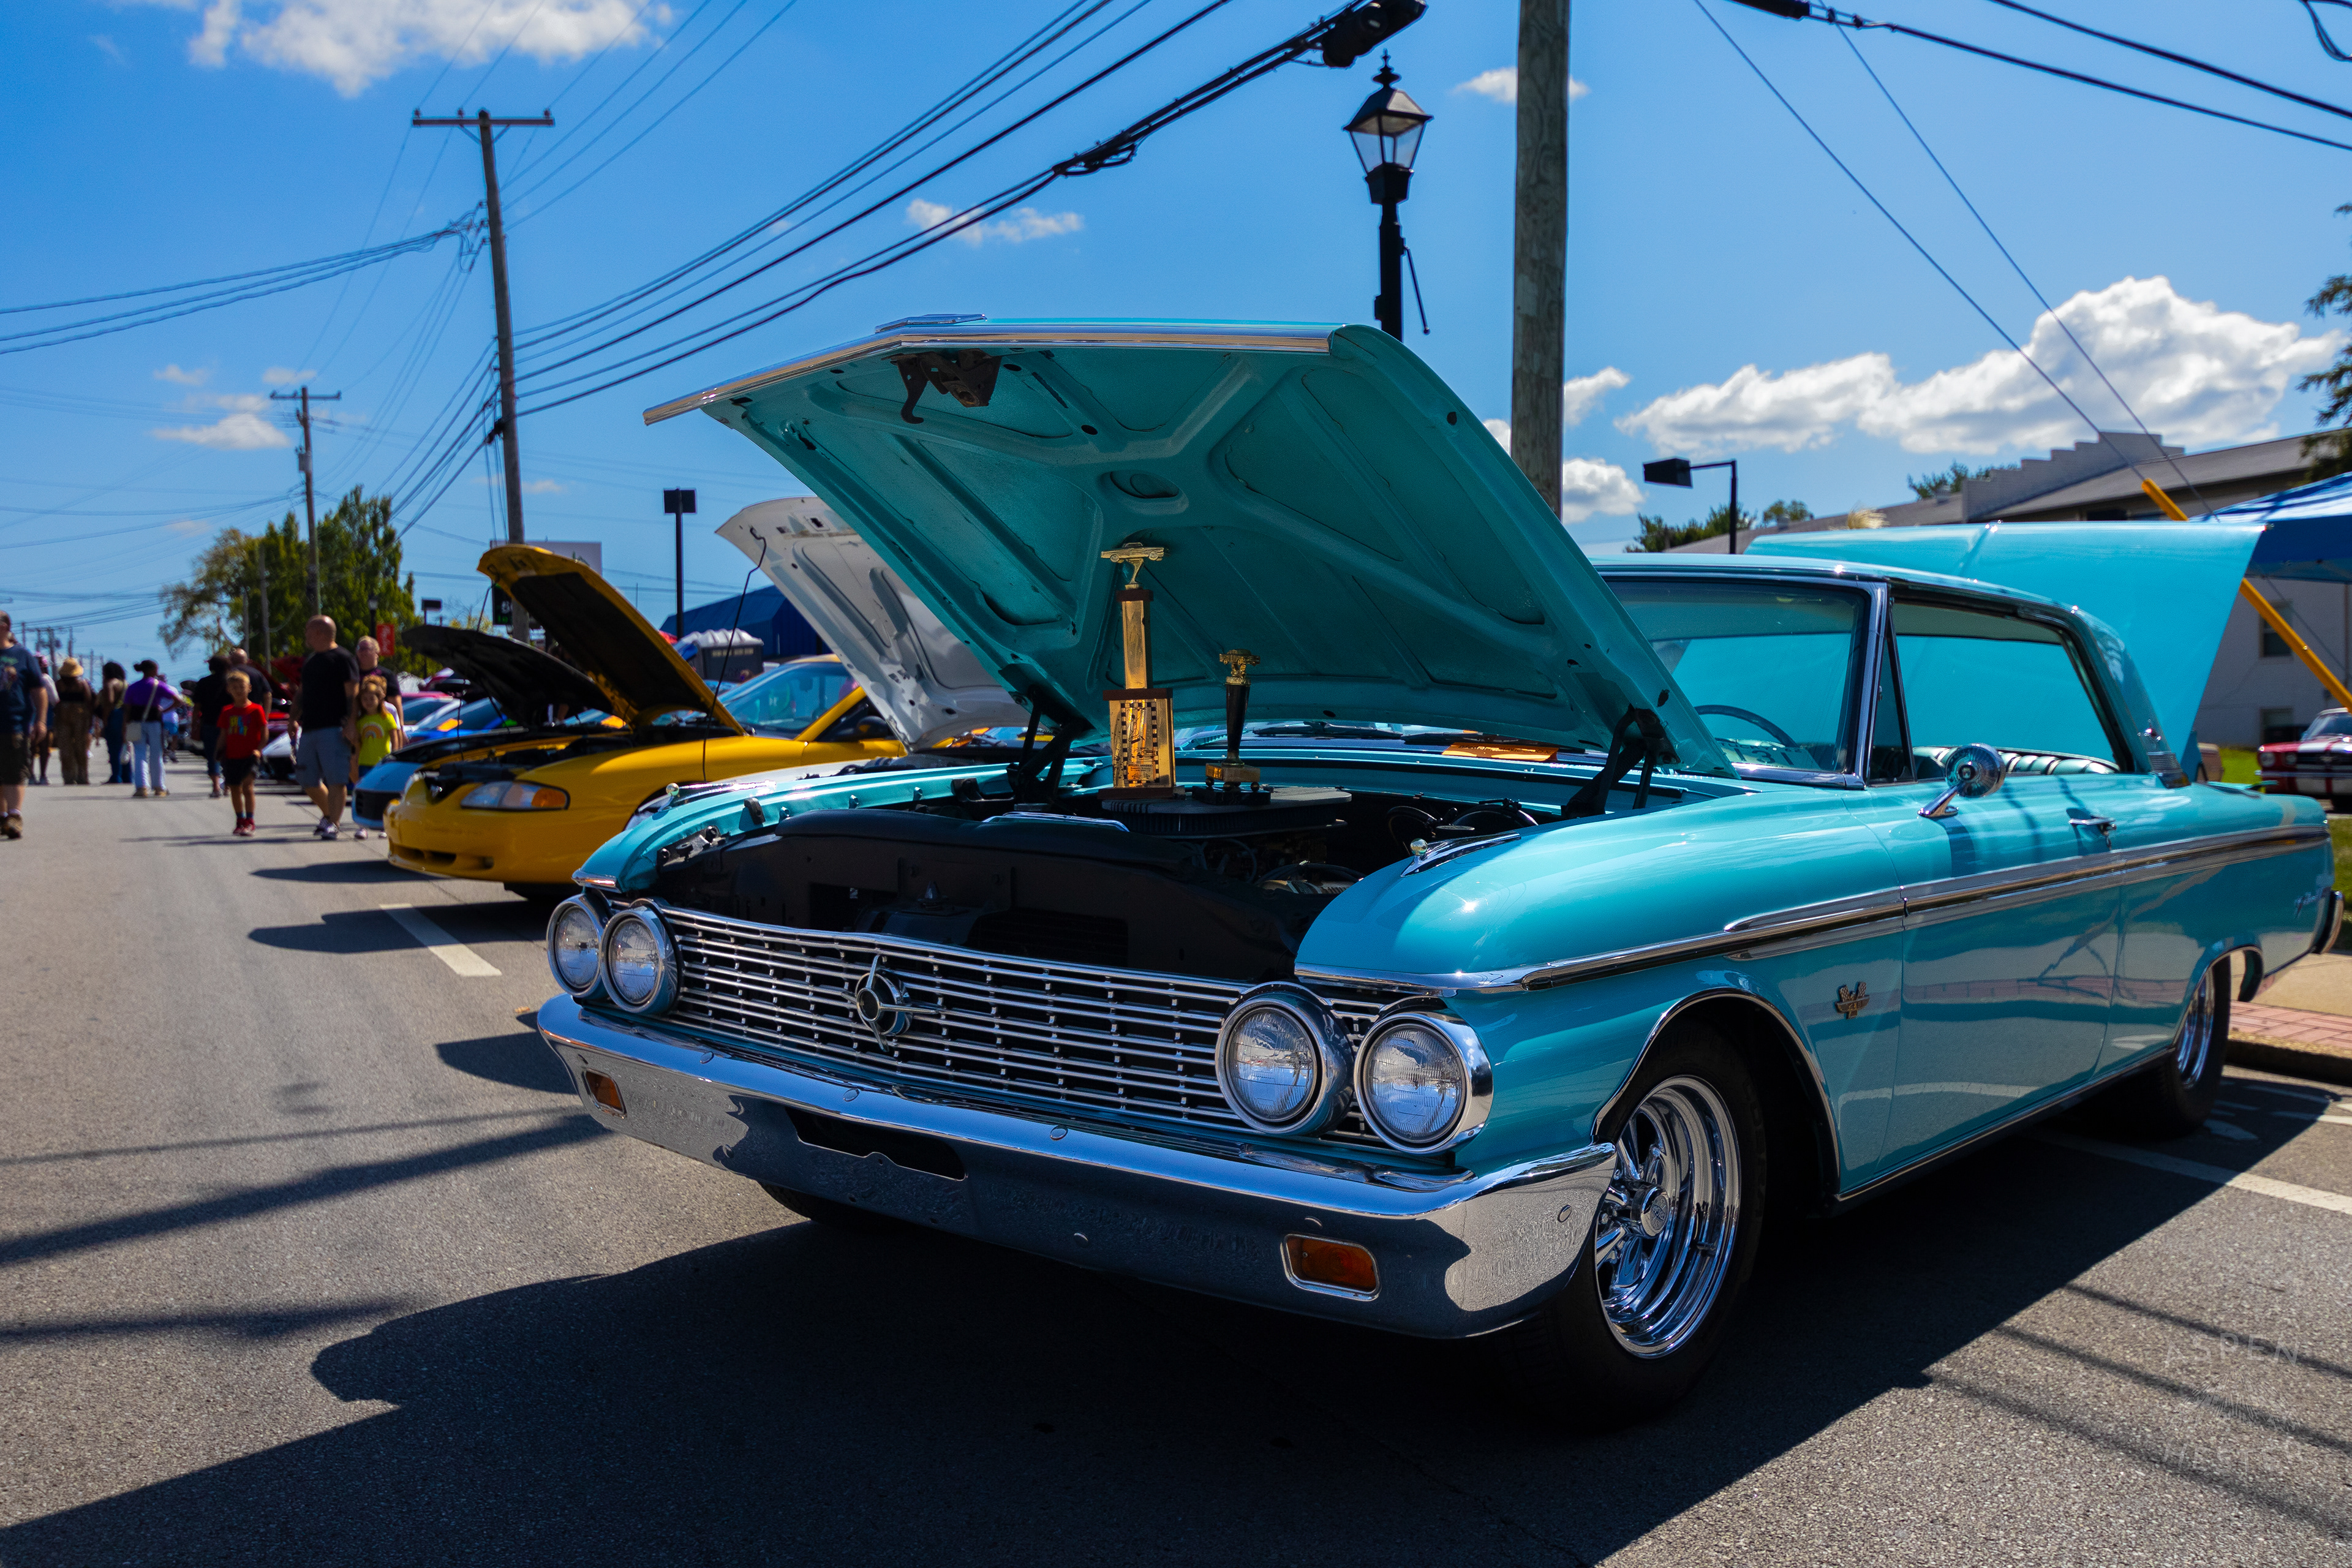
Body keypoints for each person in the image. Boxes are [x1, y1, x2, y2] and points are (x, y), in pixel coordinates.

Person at [291, 616, 360, 839]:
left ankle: (333, 823)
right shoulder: (311, 660)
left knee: (336, 778)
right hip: (310, 727)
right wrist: (293, 719)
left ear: (320, 633)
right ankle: (329, 814)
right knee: (306, 778)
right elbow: (302, 692)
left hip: (335, 728)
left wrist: (351, 723)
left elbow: (353, 694)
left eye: (309, 631)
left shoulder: (343, 658)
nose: (306, 635)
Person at [0, 611, 48, 839]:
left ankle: (14, 816)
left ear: (5, 626)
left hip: (14, 723)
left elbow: (39, 691)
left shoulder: (22, 655)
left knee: (14, 772)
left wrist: (41, 721)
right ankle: (2, 816)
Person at [349, 674, 403, 841]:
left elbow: (395, 738)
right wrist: (355, 759)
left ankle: (384, 826)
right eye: (364, 699)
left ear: (380, 699)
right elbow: (358, 743)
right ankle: (362, 827)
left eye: (372, 698)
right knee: (364, 793)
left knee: (384, 794)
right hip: (364, 762)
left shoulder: (387, 718)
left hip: (383, 763)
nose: (368, 702)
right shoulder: (361, 721)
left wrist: (395, 755)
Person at [217, 669, 267, 837]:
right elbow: (223, 734)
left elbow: (264, 732)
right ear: (228, 690)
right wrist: (218, 751)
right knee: (235, 788)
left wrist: (259, 750)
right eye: (234, 688)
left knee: (247, 787)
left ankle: (250, 821)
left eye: (242, 687)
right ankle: (240, 820)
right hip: (232, 756)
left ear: (249, 688)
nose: (239, 690)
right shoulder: (227, 711)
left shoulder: (256, 710)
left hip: (250, 756)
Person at [124, 659, 180, 799]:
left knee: (140, 753)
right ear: (153, 670)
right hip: (154, 722)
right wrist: (164, 710)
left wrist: (126, 725)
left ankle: (142, 787)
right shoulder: (158, 685)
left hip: (136, 722)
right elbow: (178, 701)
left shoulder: (133, 687)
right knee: (156, 754)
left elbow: (127, 708)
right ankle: (159, 787)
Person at [190, 654, 232, 799]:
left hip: (209, 723)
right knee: (228, 754)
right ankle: (228, 786)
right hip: (230, 722)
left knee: (212, 755)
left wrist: (194, 725)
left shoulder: (203, 682)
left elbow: (197, 707)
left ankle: (215, 787)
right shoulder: (231, 681)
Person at [52, 658, 95, 785]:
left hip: (64, 717)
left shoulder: (59, 685)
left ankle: (70, 777)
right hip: (78, 717)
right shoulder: (82, 684)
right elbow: (89, 703)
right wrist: (90, 721)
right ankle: (81, 776)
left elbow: (55, 702)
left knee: (68, 748)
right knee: (78, 748)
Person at [96, 661, 128, 784]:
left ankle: (116, 776)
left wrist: (105, 718)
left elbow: (110, 702)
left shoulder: (110, 683)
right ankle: (127, 776)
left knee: (114, 748)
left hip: (114, 715)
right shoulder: (125, 684)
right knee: (125, 747)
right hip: (125, 715)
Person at [31, 656, 58, 785]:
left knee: (31, 746)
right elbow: (55, 699)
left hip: (29, 714)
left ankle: (31, 775)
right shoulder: (46, 679)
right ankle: (43, 776)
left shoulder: (26, 678)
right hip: (45, 714)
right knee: (44, 746)